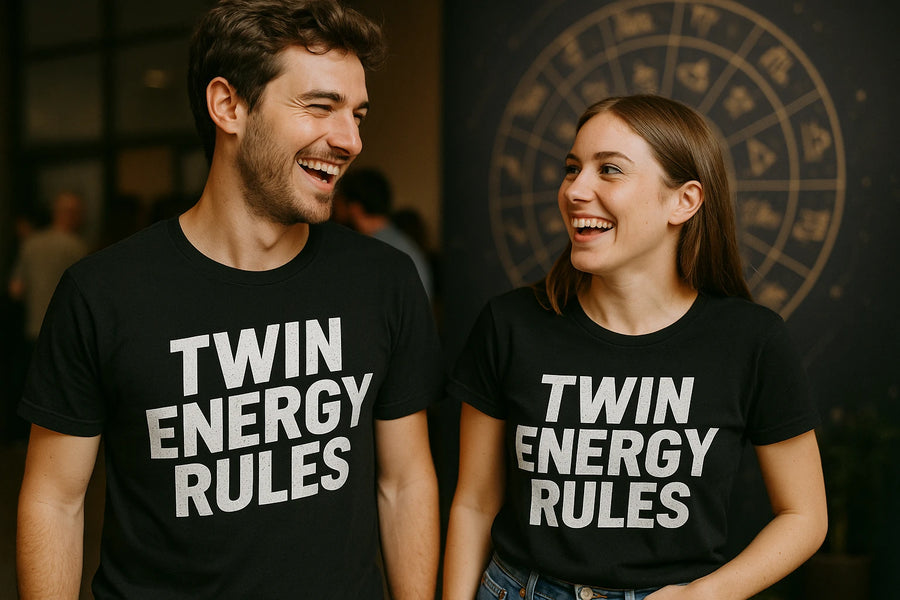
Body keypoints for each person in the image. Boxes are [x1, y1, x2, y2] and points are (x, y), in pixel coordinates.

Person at [16, 1, 443, 598]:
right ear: (229, 106)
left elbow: (404, 482)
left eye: (357, 114)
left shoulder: (384, 281)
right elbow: (55, 501)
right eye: (320, 106)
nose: (350, 140)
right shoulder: (103, 294)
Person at [443, 95, 827, 600]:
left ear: (684, 201)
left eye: (610, 170)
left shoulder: (750, 340)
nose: (576, 190)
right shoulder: (510, 323)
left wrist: (703, 595)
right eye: (572, 168)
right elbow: (474, 503)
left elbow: (805, 515)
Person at [334, 167, 434, 300]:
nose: (333, 205)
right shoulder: (401, 244)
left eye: (337, 199)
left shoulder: (377, 253)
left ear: (354, 208)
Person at [8, 190, 88, 344]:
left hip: (33, 327)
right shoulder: (77, 246)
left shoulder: (31, 242)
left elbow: (16, 289)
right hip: (65, 329)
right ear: (72, 214)